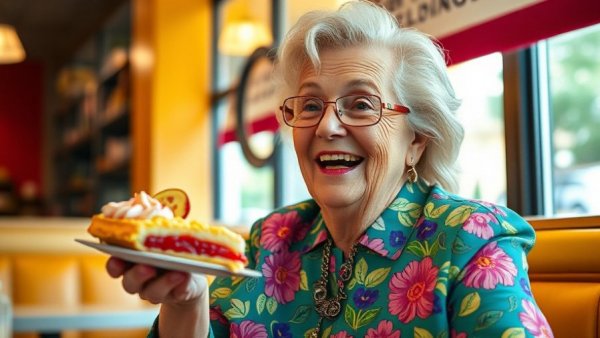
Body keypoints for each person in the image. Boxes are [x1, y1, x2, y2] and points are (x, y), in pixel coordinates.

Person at [106, 1, 553, 337]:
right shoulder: (272, 239)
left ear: (415, 140)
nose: (328, 125)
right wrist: (189, 301)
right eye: (311, 104)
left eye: (361, 104)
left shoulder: (472, 239)